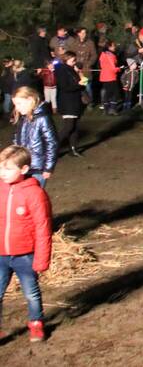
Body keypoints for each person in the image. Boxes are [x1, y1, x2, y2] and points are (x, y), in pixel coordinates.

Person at [0, 145, 52, 343]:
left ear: (23, 169)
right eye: (0, 168)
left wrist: (41, 259)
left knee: (31, 293)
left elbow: (43, 227)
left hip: (24, 255)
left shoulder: (34, 194)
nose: (2, 173)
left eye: (8, 169)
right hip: (1, 254)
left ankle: (36, 323)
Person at [11, 87, 58, 188]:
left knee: (34, 194)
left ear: (30, 100)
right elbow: (17, 137)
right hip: (23, 165)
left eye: (19, 103)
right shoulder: (23, 117)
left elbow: (52, 143)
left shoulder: (43, 119)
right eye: (15, 104)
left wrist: (48, 168)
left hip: (38, 168)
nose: (17, 108)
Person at [55, 52, 86, 157]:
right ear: (66, 59)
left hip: (75, 101)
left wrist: (81, 82)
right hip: (67, 101)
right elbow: (64, 87)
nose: (75, 61)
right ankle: (53, 149)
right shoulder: (61, 70)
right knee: (68, 126)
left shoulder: (72, 70)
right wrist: (78, 85)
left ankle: (73, 149)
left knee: (75, 126)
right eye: (73, 59)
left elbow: (81, 84)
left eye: (75, 59)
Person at [98, 40, 121, 115]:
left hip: (104, 76)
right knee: (114, 93)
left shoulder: (102, 54)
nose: (115, 47)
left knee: (107, 93)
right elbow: (113, 67)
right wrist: (119, 69)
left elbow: (101, 65)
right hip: (111, 76)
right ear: (109, 47)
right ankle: (112, 109)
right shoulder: (110, 55)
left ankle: (106, 109)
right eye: (113, 46)